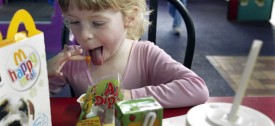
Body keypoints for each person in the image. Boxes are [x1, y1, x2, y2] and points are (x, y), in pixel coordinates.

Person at [47, 0, 209, 108]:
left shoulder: (145, 54)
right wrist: (43, 72)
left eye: (97, 23)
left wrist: (129, 97)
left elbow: (197, 88)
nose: (83, 35)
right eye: (74, 22)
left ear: (129, 17)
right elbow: (28, 98)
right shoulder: (71, 62)